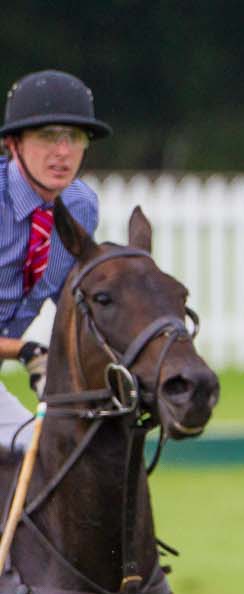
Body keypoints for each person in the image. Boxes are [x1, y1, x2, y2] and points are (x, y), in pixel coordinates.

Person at [0, 70, 106, 454]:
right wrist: (25, 350)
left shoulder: (80, 206)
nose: (62, 152)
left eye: (74, 138)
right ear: (13, 144)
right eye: (47, 136)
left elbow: (73, 307)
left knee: (54, 462)